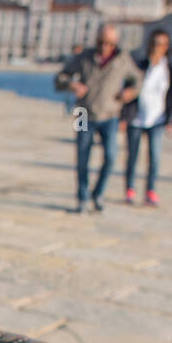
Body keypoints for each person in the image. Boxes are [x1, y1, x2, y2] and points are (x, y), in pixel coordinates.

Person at [54, 24, 142, 213]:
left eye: (109, 43)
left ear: (115, 43)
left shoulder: (123, 60)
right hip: (84, 113)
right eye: (101, 42)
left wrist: (130, 92)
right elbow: (60, 77)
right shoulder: (84, 57)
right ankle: (82, 197)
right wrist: (72, 85)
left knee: (110, 157)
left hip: (111, 114)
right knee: (82, 157)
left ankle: (98, 193)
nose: (104, 47)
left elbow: (138, 80)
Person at [120, 28, 172, 206]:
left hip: (157, 120)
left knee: (154, 157)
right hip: (136, 118)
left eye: (161, 44)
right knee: (133, 155)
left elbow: (171, 96)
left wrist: (171, 121)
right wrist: (123, 117)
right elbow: (128, 90)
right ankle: (130, 188)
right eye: (154, 43)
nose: (157, 48)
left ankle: (150, 190)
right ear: (149, 45)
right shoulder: (139, 65)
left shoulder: (168, 68)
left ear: (167, 47)